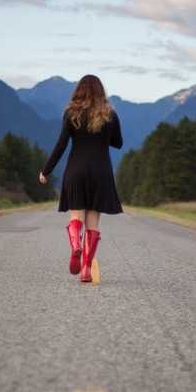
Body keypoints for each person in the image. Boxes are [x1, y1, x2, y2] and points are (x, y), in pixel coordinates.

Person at [38, 74, 123, 283]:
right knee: (93, 223)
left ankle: (75, 244)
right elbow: (118, 143)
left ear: (79, 91)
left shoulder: (71, 113)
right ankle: (86, 269)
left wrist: (45, 171)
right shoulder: (110, 114)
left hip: (76, 171)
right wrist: (102, 135)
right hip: (101, 172)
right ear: (101, 92)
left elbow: (61, 145)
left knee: (76, 216)